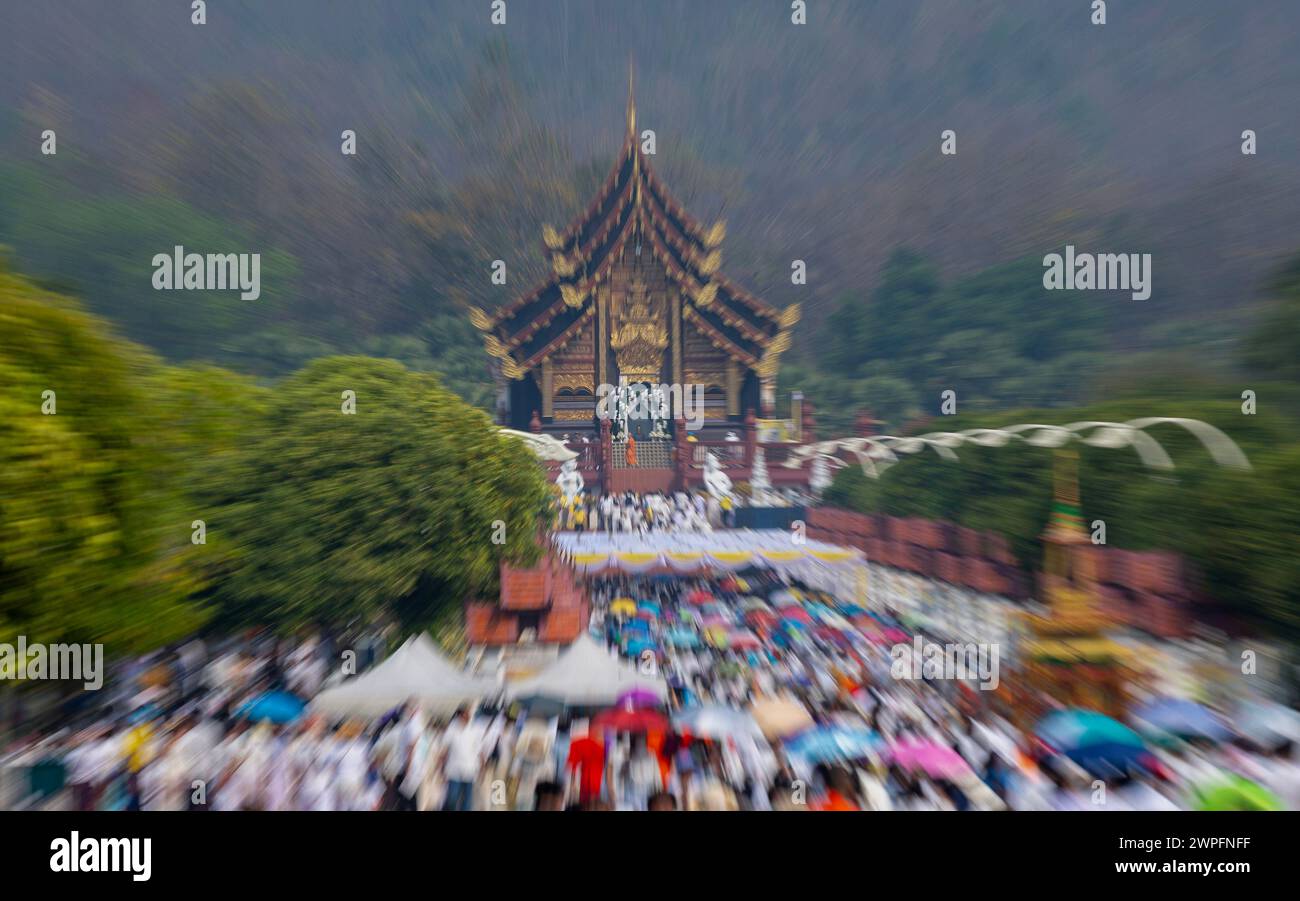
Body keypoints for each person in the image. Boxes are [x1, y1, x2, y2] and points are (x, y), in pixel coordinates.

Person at [440, 707, 485, 811]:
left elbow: (480, 751)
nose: (468, 717)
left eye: (469, 714)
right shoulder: (451, 729)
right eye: (465, 714)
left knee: (467, 800)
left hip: (470, 770)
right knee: (452, 798)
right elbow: (444, 749)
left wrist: (482, 768)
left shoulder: (474, 730)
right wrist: (441, 767)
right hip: (454, 770)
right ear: (459, 716)